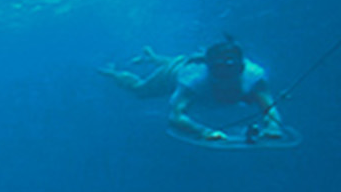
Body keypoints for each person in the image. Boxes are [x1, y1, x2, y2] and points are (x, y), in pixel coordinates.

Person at [100, 39, 284, 142]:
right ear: (209, 67)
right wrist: (203, 131)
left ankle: (153, 57)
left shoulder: (254, 77)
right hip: (175, 73)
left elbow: (269, 107)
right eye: (219, 68)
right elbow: (176, 116)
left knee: (182, 60)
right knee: (140, 91)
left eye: (231, 67)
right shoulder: (194, 80)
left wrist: (273, 125)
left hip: (190, 65)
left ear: (242, 67)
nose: (226, 74)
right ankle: (113, 72)